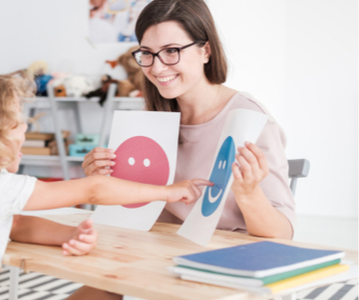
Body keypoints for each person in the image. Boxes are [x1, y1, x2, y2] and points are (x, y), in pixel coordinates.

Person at [0, 70, 211, 300]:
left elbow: (14, 223)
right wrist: (168, 191)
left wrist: (67, 234)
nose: (24, 129)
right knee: (105, 293)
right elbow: (93, 189)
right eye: (17, 123)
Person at [75, 0, 296, 298]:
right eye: (147, 54)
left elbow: (282, 235)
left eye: (171, 51)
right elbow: (133, 207)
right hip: (156, 253)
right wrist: (102, 177)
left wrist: (249, 193)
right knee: (95, 284)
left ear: (205, 51)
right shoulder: (152, 116)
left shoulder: (251, 121)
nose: (156, 67)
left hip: (226, 263)